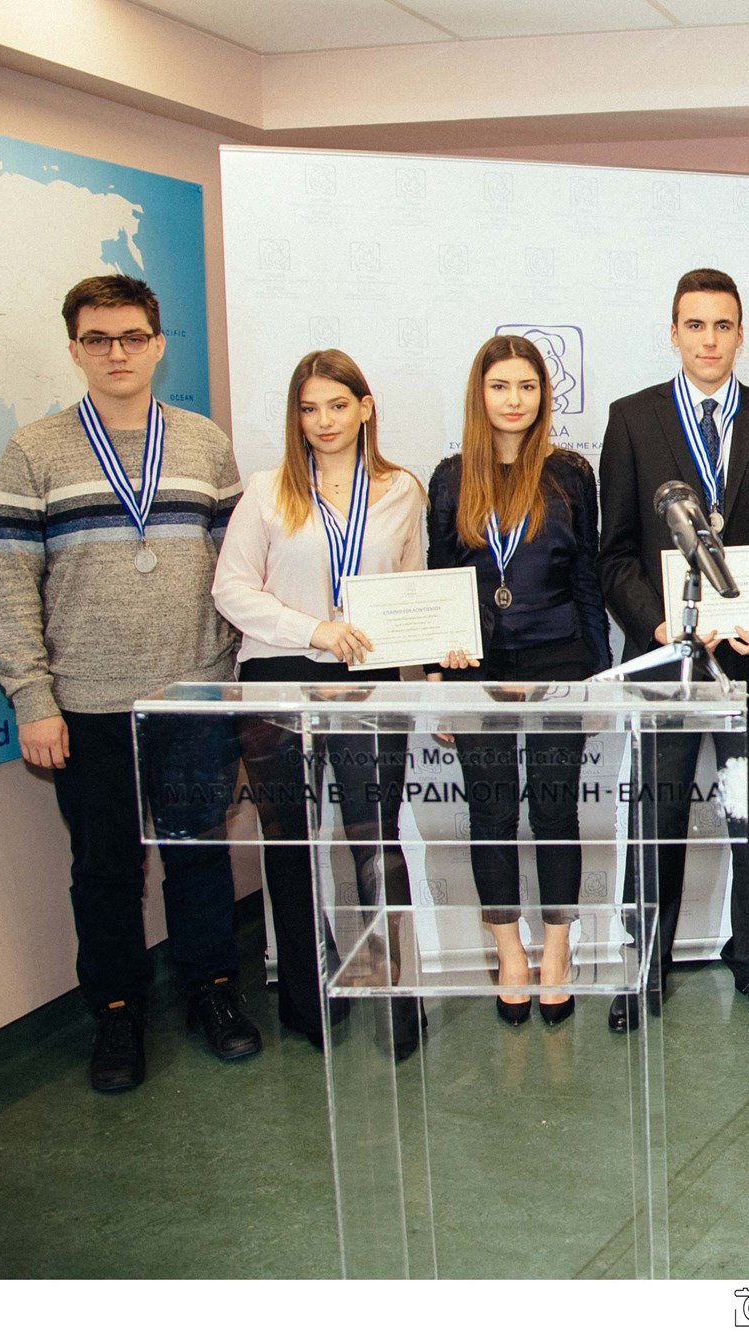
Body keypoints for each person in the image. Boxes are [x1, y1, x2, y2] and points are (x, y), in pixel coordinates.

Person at [0, 274, 258, 1092]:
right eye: (98, 339)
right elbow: (9, 584)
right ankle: (116, 1012)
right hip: (86, 704)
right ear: (75, 350)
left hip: (193, 696)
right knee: (104, 870)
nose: (117, 353)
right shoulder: (34, 451)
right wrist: (34, 699)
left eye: (132, 337)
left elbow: (237, 572)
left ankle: (213, 992)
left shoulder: (204, 443)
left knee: (199, 856)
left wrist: (232, 683)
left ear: (157, 345)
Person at [598, 268, 749, 1030]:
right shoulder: (632, 420)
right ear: (674, 333)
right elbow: (614, 554)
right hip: (667, 662)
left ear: (741, 334)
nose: (709, 339)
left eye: (723, 325)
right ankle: (645, 967)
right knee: (655, 818)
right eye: (695, 325)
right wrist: (659, 626)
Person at [212, 348, 428, 1055]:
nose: (324, 420)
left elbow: (411, 589)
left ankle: (400, 997)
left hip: (370, 679)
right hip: (278, 675)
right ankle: (309, 1002)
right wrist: (314, 631)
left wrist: (429, 662)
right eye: (309, 409)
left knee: (376, 840)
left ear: (365, 408)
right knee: (291, 843)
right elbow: (230, 588)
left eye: (337, 405)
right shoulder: (267, 491)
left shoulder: (402, 490)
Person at [428, 334, 611, 1027]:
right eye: (501, 386)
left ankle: (556, 951)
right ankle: (508, 952)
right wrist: (440, 680)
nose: (514, 400)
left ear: (543, 395)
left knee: (556, 810)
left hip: (559, 660)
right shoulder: (451, 478)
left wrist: (597, 674)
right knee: (493, 812)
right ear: (480, 395)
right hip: (477, 666)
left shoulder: (570, 473)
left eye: (527, 387)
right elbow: (440, 580)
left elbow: (588, 576)